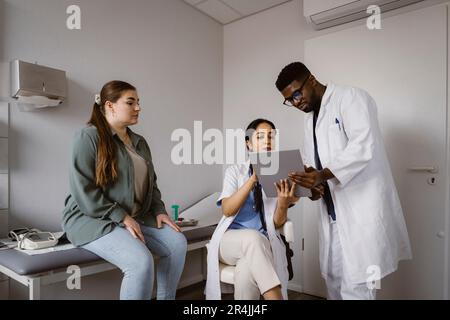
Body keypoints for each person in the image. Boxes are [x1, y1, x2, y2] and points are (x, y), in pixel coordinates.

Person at [275, 62, 412, 300]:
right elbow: (315, 167)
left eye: (297, 94)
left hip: (360, 212)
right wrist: (311, 184)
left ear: (312, 80)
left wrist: (322, 175)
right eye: (290, 100)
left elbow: (362, 146)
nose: (296, 103)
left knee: (358, 287)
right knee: (334, 280)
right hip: (332, 214)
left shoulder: (352, 98)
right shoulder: (310, 120)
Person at [62, 80, 187, 300]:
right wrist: (120, 216)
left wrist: (159, 210)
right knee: (140, 261)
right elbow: (84, 189)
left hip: (133, 216)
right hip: (91, 219)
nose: (138, 108)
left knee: (177, 243)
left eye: (138, 103)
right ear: (109, 105)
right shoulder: (88, 137)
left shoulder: (139, 142)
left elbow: (152, 184)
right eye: (131, 102)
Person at [205, 119, 300, 300]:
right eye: (261, 136)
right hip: (229, 242)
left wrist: (283, 202)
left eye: (271, 136)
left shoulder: (280, 175)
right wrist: (252, 180)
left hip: (261, 245)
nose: (267, 141)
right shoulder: (235, 171)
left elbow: (277, 223)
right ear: (248, 143)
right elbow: (227, 210)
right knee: (253, 238)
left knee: (246, 271)